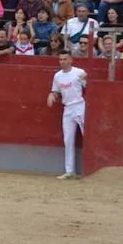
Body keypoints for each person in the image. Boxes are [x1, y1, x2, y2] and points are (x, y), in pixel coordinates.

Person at [47, 50, 87, 180]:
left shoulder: (79, 72)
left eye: (65, 59)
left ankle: (88, 170)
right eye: (60, 59)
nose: (62, 62)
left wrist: (85, 78)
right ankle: (69, 171)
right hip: (67, 108)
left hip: (80, 106)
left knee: (86, 137)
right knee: (68, 140)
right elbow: (55, 91)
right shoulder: (57, 76)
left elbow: (90, 86)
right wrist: (51, 95)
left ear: (71, 60)